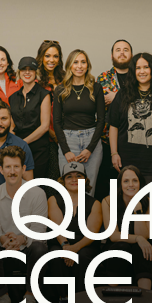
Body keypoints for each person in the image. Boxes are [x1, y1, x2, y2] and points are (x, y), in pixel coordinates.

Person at [0, 146, 48, 303]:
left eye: (16, 167)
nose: (12, 171)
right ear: (1, 170)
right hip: (5, 247)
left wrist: (22, 238)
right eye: (8, 167)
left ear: (23, 169)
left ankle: (30, 297)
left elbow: (39, 231)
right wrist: (3, 238)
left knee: (40, 248)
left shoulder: (37, 193)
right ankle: (2, 298)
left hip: (28, 247)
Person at [109, 53, 152, 185]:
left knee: (150, 198)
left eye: (146, 67)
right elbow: (113, 126)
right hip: (125, 161)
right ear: (133, 71)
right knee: (126, 196)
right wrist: (114, 153)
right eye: (138, 68)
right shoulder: (122, 94)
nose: (142, 71)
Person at [45, 162, 102, 303]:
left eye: (78, 176)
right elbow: (58, 227)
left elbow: (92, 233)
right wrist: (66, 247)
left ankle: (82, 299)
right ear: (63, 181)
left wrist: (74, 248)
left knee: (84, 256)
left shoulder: (95, 203)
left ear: (85, 180)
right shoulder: (54, 200)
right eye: (69, 176)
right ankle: (63, 298)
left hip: (85, 244)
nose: (74, 179)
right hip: (61, 243)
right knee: (56, 254)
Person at [53, 49, 106, 196]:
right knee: (68, 189)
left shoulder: (96, 88)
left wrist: (90, 149)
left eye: (83, 62)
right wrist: (66, 150)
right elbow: (56, 122)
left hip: (91, 140)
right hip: (68, 140)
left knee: (88, 189)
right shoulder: (60, 90)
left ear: (87, 65)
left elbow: (101, 120)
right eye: (75, 62)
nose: (79, 66)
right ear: (69, 65)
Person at [100, 166, 152, 290]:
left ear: (140, 183)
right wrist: (138, 238)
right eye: (126, 181)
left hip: (140, 247)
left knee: (141, 249)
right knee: (121, 247)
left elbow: (145, 236)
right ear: (120, 184)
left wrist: (137, 211)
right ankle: (111, 294)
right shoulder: (108, 201)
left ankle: (146, 296)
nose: (131, 185)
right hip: (116, 244)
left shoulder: (149, 202)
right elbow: (113, 236)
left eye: (135, 180)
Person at [96, 40, 133, 198]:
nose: (122, 53)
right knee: (109, 186)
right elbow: (101, 105)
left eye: (126, 50)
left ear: (131, 55)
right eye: (118, 50)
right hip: (107, 140)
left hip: (133, 140)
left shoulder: (139, 77)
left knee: (132, 184)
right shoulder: (103, 78)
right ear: (112, 55)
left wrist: (116, 97)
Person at [9, 57, 51, 180]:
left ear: (36, 72)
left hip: (38, 148)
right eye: (24, 69)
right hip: (17, 148)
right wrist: (14, 145)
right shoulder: (13, 97)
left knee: (36, 185)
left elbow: (45, 127)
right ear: (19, 72)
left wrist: (23, 143)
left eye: (31, 69)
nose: (27, 72)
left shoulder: (44, 95)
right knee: (18, 183)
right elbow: (12, 126)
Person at [36, 40, 65, 181]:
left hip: (66, 137)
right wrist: (54, 135)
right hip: (45, 138)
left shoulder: (66, 79)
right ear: (41, 57)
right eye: (47, 56)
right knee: (50, 179)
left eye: (55, 56)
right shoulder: (35, 80)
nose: (51, 60)